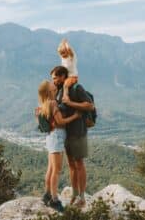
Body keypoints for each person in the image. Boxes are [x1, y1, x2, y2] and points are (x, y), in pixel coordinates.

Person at [50, 66, 94, 208]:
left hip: (78, 132)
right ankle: (75, 194)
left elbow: (89, 105)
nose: (54, 80)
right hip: (66, 133)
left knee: (79, 165)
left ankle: (82, 197)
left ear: (63, 76)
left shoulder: (77, 88)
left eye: (55, 77)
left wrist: (71, 103)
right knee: (71, 166)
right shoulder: (61, 90)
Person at [37, 80, 81, 212]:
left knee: (51, 169)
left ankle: (47, 194)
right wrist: (75, 116)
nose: (53, 84)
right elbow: (60, 121)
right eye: (51, 84)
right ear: (48, 90)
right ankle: (54, 200)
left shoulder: (45, 103)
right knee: (56, 170)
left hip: (51, 137)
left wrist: (65, 89)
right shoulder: (53, 103)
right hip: (56, 137)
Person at [57, 39, 79, 104]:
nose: (62, 55)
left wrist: (66, 43)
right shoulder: (63, 59)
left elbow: (69, 50)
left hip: (73, 77)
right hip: (67, 77)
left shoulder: (72, 57)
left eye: (63, 53)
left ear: (67, 51)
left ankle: (65, 98)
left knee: (65, 85)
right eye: (61, 54)